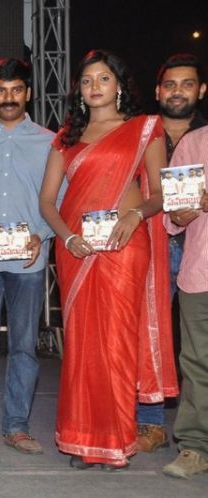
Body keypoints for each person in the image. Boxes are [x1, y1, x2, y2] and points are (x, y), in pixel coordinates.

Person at [39, 49, 178, 470]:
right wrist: (67, 238)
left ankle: (115, 441)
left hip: (124, 244)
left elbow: (159, 193)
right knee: (82, 346)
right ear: (78, 90)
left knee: (116, 342)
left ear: (118, 85)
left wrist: (136, 215)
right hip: (77, 250)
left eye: (103, 78)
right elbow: (47, 201)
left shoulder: (144, 128)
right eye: (87, 81)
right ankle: (83, 439)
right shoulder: (66, 138)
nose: (94, 86)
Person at [0, 58, 56, 456]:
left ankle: (17, 426)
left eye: (16, 90)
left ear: (28, 93)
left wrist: (43, 234)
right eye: (1, 91)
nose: (9, 98)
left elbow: (61, 199)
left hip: (28, 261)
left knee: (24, 347)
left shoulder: (51, 142)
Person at [137, 53, 207, 452]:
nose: (177, 92)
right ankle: (150, 423)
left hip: (198, 247)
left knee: (194, 345)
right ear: (157, 91)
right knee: (148, 332)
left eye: (187, 84)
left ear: (201, 90)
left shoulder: (203, 137)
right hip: (150, 242)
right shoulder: (139, 133)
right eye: (170, 85)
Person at [161, 126, 208, 479]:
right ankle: (196, 447)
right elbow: (172, 216)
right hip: (200, 271)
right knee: (196, 363)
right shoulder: (194, 142)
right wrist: (179, 214)